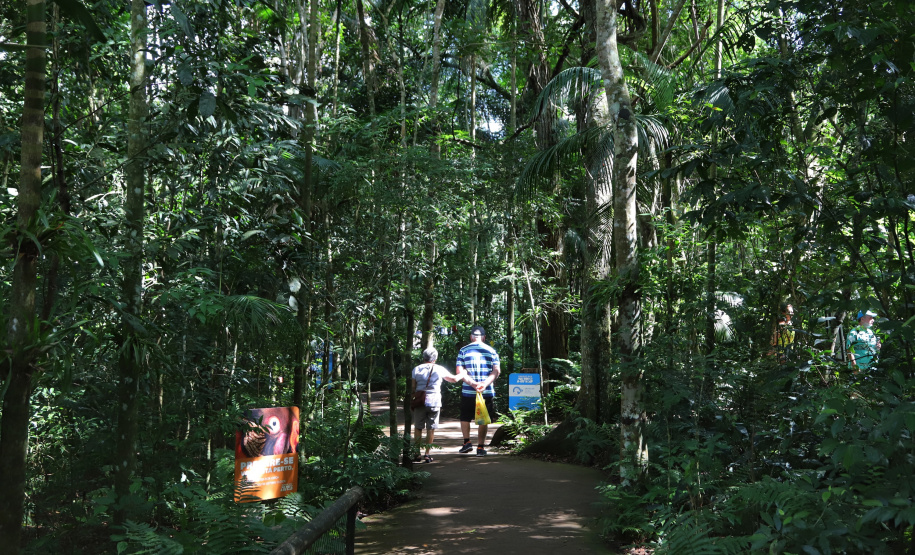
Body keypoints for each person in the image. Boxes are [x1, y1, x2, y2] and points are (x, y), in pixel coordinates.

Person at [411, 347, 465, 463]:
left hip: (420, 401)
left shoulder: (416, 369)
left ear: (424, 357)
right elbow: (454, 379)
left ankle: (416, 453)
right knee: (431, 428)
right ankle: (427, 454)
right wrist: (463, 373)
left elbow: (413, 388)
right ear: (435, 358)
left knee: (418, 427)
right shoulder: (439, 369)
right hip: (434, 401)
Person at [455, 326, 500, 457]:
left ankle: (466, 442)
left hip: (468, 391)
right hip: (486, 391)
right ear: (484, 337)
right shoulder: (492, 351)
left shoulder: (463, 350)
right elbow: (496, 371)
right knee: (484, 418)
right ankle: (480, 447)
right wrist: (485, 384)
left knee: (465, 416)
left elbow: (459, 372)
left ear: (471, 337)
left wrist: (473, 384)